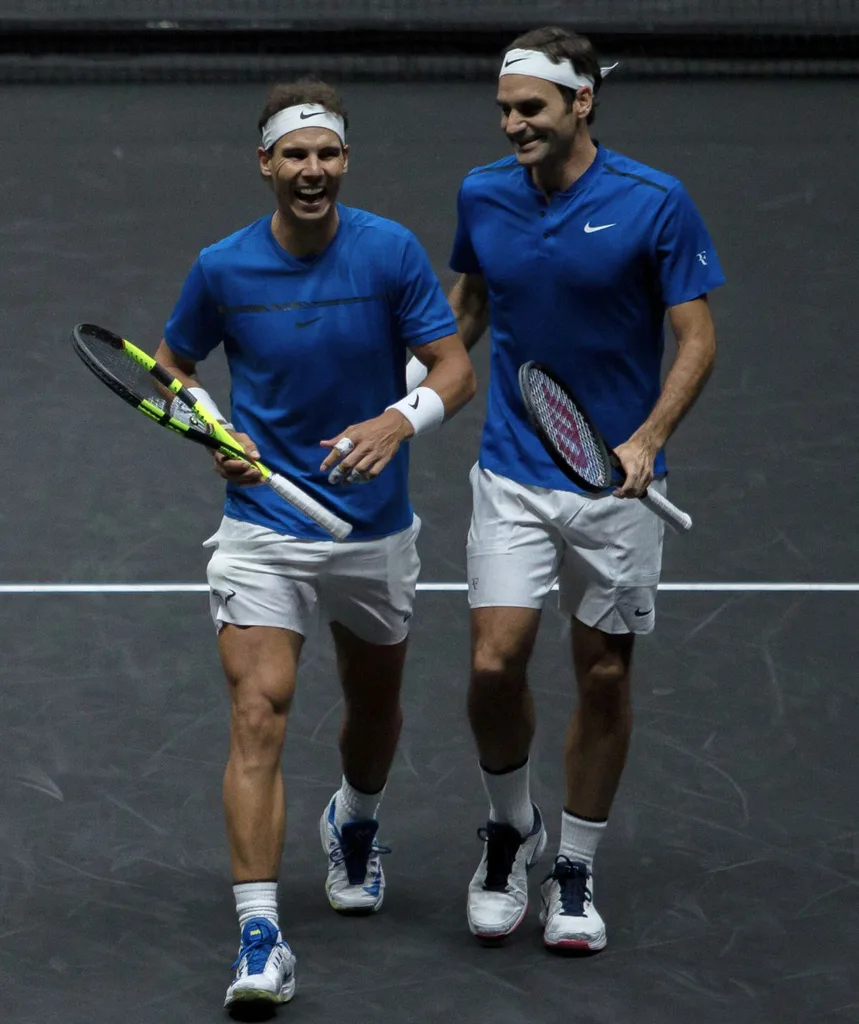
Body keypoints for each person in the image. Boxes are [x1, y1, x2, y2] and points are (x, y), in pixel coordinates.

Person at [154, 77, 475, 1007]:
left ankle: (357, 819)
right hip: (262, 531)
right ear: (265, 165)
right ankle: (260, 934)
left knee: (373, 716)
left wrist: (397, 422)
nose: (311, 170)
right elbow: (174, 370)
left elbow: (452, 366)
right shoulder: (222, 267)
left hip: (372, 533)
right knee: (261, 710)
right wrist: (212, 430)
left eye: (326, 153)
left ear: (344, 162)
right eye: (294, 154)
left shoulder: (390, 253)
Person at [407, 26, 724, 951]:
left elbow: (695, 338)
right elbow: (466, 307)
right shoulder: (482, 192)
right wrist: (404, 400)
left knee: (604, 673)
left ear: (581, 102)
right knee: (493, 665)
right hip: (511, 466)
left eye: (530, 108)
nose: (513, 124)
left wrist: (648, 437)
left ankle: (575, 864)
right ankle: (511, 828)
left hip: (616, 486)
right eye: (504, 108)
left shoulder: (653, 201)